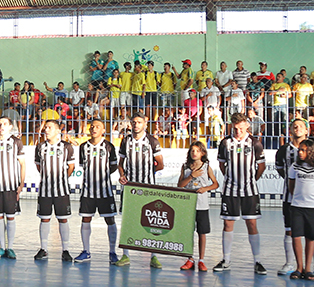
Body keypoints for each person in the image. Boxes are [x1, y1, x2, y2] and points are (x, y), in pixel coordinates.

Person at [214, 112, 267, 274]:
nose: (238, 131)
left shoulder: (255, 143)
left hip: (250, 190)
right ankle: (226, 259)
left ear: (247, 126)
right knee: (228, 224)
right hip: (230, 190)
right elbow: (222, 166)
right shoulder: (225, 143)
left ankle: (257, 261)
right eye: (235, 128)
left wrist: (251, 180)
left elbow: (261, 167)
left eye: (241, 128)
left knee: (251, 224)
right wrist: (231, 179)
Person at [274, 118, 314, 276]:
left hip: (311, 203)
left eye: (301, 126)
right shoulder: (284, 150)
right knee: (290, 231)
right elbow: (280, 170)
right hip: (290, 200)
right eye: (294, 126)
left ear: (306, 131)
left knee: (313, 233)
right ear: (290, 131)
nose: (297, 128)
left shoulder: (313, 150)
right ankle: (290, 263)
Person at [114, 112, 165, 268]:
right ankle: (126, 255)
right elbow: (120, 164)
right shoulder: (126, 141)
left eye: (139, 122)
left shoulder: (152, 141)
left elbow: (160, 164)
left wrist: (147, 178)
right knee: (128, 221)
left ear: (145, 123)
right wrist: (122, 175)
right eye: (134, 122)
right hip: (130, 189)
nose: (136, 124)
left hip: (147, 188)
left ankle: (154, 256)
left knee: (152, 222)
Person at [72, 119, 118, 264]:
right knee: (86, 219)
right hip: (88, 192)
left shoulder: (109, 146)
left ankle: (112, 252)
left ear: (103, 130)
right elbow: (82, 165)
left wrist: (102, 176)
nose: (94, 129)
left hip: (105, 192)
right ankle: (86, 251)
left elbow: (114, 166)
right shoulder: (83, 147)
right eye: (92, 126)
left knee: (110, 219)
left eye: (98, 126)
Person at [32, 119, 76, 261]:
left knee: (63, 220)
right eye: (45, 127)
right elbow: (39, 166)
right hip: (45, 190)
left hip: (61, 191)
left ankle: (66, 250)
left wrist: (61, 179)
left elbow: (71, 167)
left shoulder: (67, 147)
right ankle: (43, 248)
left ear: (58, 131)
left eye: (50, 127)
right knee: (44, 219)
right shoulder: (40, 147)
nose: (46, 130)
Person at [0, 116, 25, 260]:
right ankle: (2, 247)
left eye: (4, 124)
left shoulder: (16, 142)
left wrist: (21, 184)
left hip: (11, 186)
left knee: (10, 216)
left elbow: (22, 164)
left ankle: (11, 247)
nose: (1, 126)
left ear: (10, 127)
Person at [177, 141, 219, 272]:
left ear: (202, 153)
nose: (194, 153)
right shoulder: (185, 167)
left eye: (197, 151)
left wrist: (205, 188)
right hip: (188, 205)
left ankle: (201, 260)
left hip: (202, 205)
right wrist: (191, 177)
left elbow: (215, 184)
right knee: (188, 233)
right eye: (192, 150)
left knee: (202, 233)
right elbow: (180, 185)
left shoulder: (206, 167)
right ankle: (190, 259)